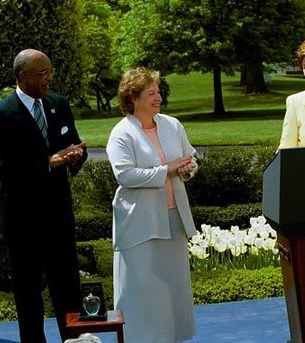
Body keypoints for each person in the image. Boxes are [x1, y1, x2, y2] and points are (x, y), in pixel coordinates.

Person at [0, 49, 87, 342]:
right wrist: (46, 163)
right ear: (22, 77)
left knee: (69, 289)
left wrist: (75, 155)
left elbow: (72, 141)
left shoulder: (58, 104)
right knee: (28, 293)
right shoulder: (0, 114)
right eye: (42, 73)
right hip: (22, 219)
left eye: (50, 71)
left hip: (59, 215)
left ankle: (75, 340)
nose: (50, 77)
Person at [106, 67, 198, 342]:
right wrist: (167, 169)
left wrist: (188, 168)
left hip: (173, 216)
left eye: (158, 92)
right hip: (139, 221)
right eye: (151, 93)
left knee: (172, 285)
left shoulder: (172, 124)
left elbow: (189, 157)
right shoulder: (121, 133)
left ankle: (172, 337)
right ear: (133, 98)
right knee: (141, 286)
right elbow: (125, 175)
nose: (158, 98)